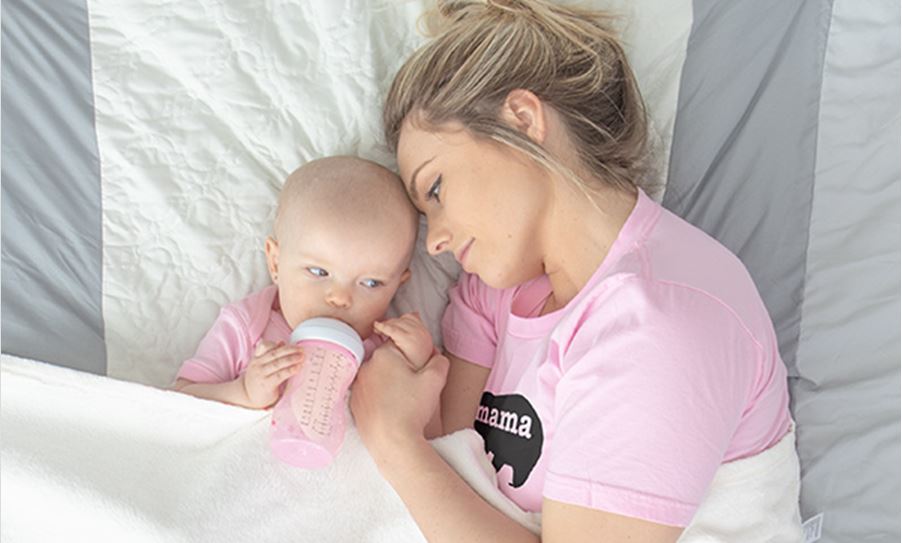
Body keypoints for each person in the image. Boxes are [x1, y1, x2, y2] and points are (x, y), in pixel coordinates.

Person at [349, 1, 803, 542]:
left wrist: (393, 441)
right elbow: (454, 470)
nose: (436, 241)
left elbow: (425, 470)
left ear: (523, 119)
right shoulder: (494, 293)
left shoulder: (662, 320)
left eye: (437, 188)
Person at [172, 156, 432, 408]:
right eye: (319, 272)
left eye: (371, 283)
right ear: (276, 263)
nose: (340, 298)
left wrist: (419, 360)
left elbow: (427, 425)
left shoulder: (389, 349)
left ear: (397, 286)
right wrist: (244, 393)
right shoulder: (247, 326)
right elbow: (179, 400)